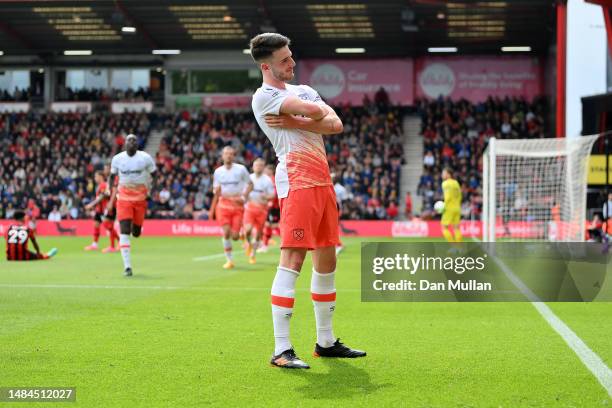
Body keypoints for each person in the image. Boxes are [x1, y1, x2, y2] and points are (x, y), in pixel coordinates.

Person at [250, 32, 366, 369]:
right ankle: (281, 349)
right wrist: (312, 117)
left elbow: (337, 124)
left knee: (327, 261)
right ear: (265, 65)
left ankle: (325, 341)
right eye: (284, 59)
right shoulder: (264, 96)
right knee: (292, 260)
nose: (292, 63)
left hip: (323, 182)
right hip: (297, 182)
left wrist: (296, 121)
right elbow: (318, 112)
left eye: (291, 55)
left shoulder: (301, 89)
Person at [107, 134, 156, 277]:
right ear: (125, 143)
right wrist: (110, 190)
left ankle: (137, 229)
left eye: (135, 140)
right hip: (123, 198)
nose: (132, 142)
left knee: (136, 232)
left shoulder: (145, 158)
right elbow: (111, 177)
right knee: (124, 231)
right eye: (129, 140)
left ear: (138, 144)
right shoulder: (117, 159)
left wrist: (153, 189)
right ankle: (127, 267)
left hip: (140, 199)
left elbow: (155, 174)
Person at [210, 146, 253, 269]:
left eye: (231, 154)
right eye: (226, 153)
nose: (228, 156)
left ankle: (241, 236)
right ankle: (229, 260)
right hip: (223, 204)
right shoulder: (218, 172)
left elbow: (250, 184)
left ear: (234, 156)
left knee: (234, 236)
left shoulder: (241, 169)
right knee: (226, 233)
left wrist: (244, 197)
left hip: (237, 204)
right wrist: (215, 194)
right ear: (222, 156)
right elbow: (216, 190)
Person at [243, 158, 275, 264]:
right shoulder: (249, 178)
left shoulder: (267, 180)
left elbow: (272, 195)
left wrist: (266, 197)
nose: (258, 167)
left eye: (261, 165)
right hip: (250, 208)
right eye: (256, 165)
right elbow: (243, 193)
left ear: (263, 167)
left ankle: (253, 255)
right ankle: (248, 243)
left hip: (262, 209)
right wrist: (246, 195)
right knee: (247, 230)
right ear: (253, 166)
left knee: (258, 234)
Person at [84, 170, 119, 253]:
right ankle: (94, 244)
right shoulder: (100, 185)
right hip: (99, 209)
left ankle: (116, 244)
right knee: (96, 224)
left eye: (96, 176)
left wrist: (91, 205)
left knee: (108, 226)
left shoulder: (104, 185)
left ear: (101, 177)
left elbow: (102, 197)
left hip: (106, 209)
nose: (95, 178)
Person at [441, 167, 462, 242]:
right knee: (456, 228)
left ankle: (454, 247)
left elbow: (447, 197)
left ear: (448, 174)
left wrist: (443, 206)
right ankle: (459, 248)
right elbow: (460, 195)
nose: (442, 175)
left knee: (444, 228)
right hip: (457, 208)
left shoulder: (445, 183)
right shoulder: (456, 183)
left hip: (449, 208)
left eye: (443, 173)